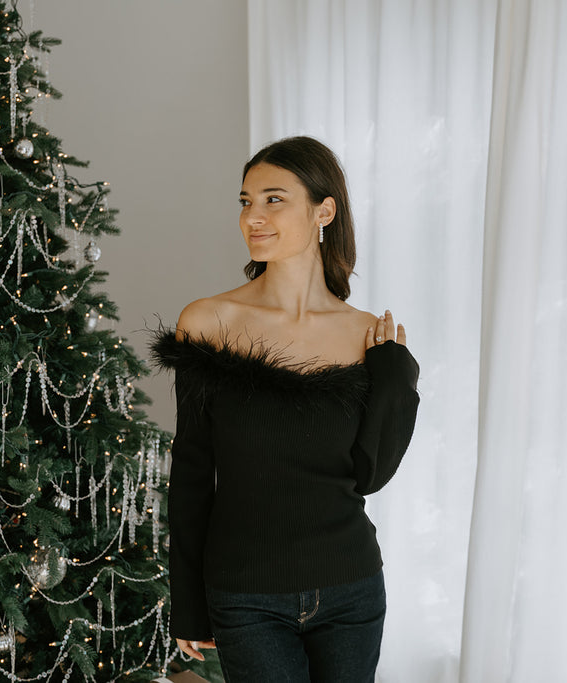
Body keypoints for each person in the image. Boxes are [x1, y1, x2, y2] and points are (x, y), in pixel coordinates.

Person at [151, 136, 420, 682]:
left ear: (324, 211)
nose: (254, 216)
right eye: (246, 201)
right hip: (245, 594)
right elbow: (193, 472)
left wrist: (396, 377)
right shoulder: (209, 321)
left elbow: (371, 475)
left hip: (351, 586)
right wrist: (188, 602)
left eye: (274, 199)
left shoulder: (364, 334)